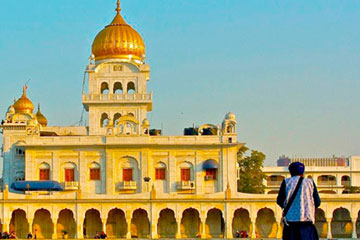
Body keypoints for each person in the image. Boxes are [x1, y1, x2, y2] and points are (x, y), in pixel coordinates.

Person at [277, 162, 321, 240]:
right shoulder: (310, 182)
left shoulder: (286, 182)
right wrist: (308, 207)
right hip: (307, 224)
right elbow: (317, 202)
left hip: (291, 224)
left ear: (290, 172)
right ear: (303, 172)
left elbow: (279, 200)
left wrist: (289, 208)